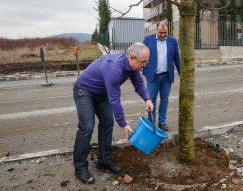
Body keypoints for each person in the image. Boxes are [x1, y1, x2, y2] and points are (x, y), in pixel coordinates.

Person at [72, 42, 154, 184]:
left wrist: (147, 99)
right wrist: (123, 124)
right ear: (132, 57)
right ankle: (80, 167)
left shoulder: (133, 67)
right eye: (144, 62)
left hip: (101, 93)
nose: (145, 65)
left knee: (107, 123)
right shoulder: (115, 68)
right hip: (84, 90)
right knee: (87, 127)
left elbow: (139, 83)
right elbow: (115, 100)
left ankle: (104, 160)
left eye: (147, 61)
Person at [142, 21, 180, 131]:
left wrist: (182, 73)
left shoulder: (173, 41)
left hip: (167, 76)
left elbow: (176, 58)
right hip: (153, 76)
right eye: (160, 33)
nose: (163, 35)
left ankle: (162, 122)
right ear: (156, 30)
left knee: (164, 100)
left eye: (165, 33)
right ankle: (151, 121)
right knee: (151, 100)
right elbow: (141, 55)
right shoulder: (148, 39)